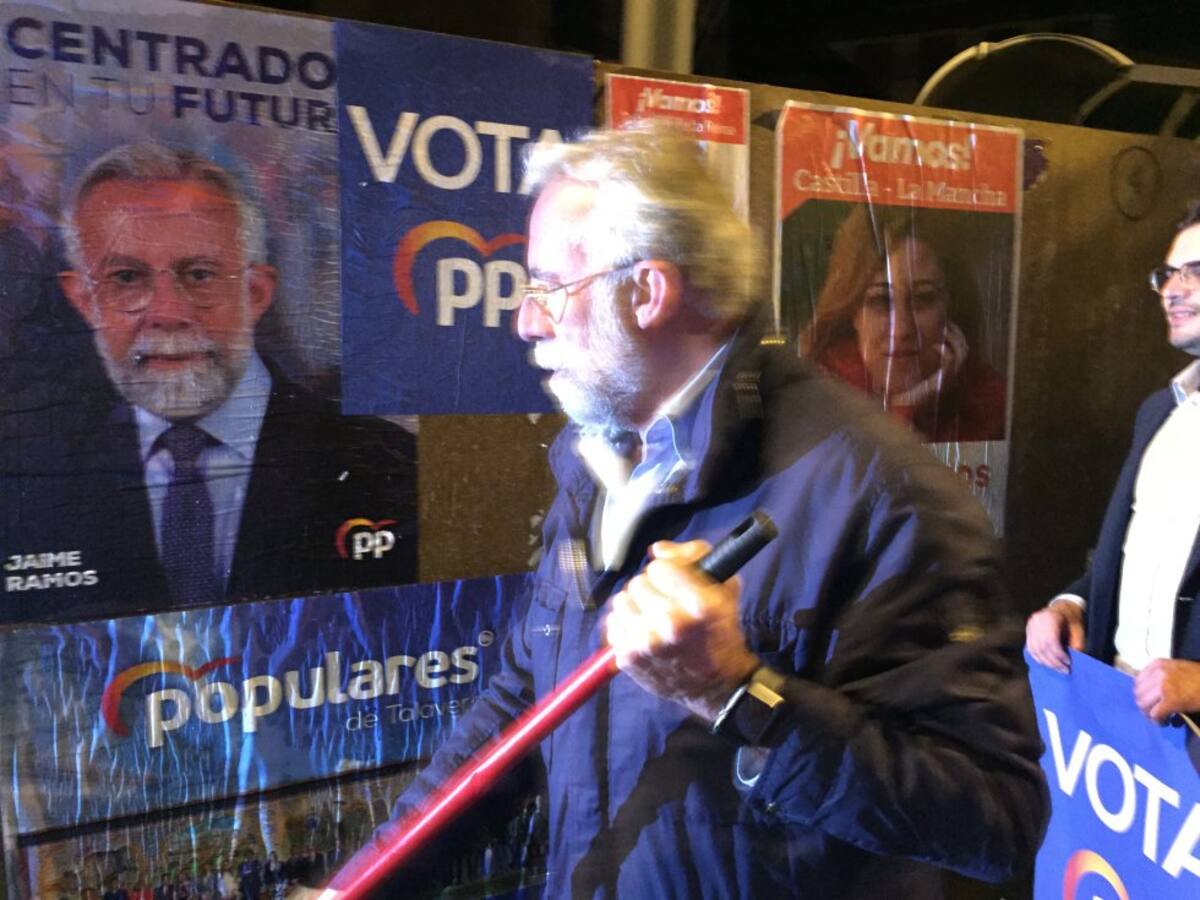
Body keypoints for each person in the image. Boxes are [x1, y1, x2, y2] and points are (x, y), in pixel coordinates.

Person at [348, 124, 1046, 897]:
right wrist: (364, 886)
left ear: (647, 292)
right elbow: (523, 697)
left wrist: (737, 693)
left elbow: (996, 820)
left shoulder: (882, 493)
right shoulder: (598, 456)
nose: (527, 320)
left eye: (549, 287)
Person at [0, 142, 416, 622]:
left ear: (256, 292)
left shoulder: (387, 465)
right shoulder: (26, 480)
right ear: (83, 300)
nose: (168, 312)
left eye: (200, 274)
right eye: (126, 278)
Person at [1026, 206, 1200, 722]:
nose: (1172, 290)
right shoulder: (1160, 412)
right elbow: (1134, 560)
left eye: (1196, 271)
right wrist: (1071, 605)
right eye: (1168, 274)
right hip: (1120, 721)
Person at [805, 205, 1007, 442]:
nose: (901, 330)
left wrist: (916, 406)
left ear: (951, 306)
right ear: (853, 313)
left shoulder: (988, 403)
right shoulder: (816, 393)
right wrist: (905, 407)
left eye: (923, 299)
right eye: (880, 301)